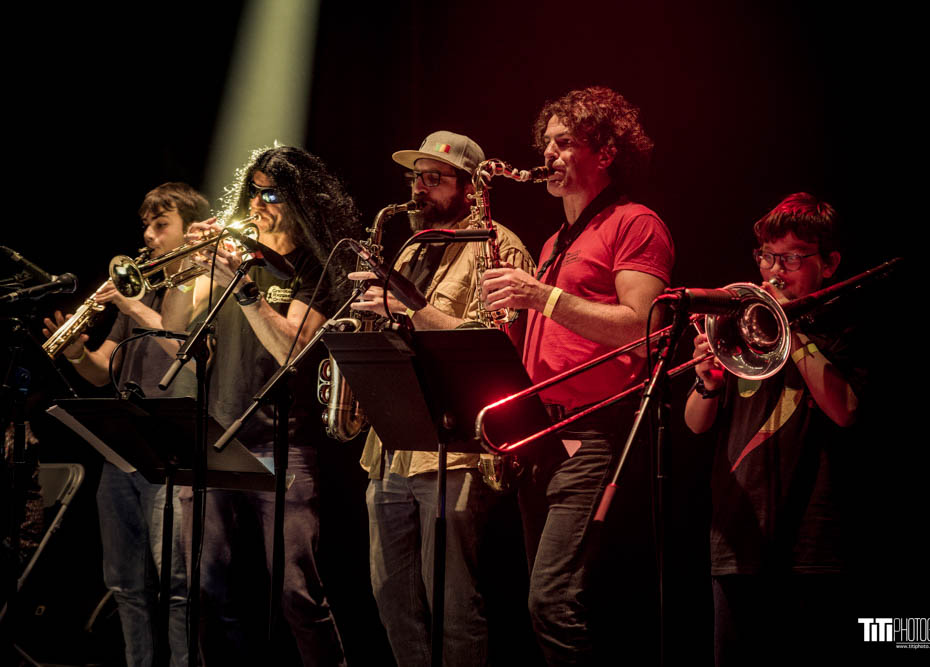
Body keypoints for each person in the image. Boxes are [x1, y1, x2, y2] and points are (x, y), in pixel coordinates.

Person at [482, 87, 675, 664]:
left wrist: (542, 296)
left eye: (565, 142)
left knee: (553, 601)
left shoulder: (635, 223)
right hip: (540, 435)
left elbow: (645, 329)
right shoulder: (552, 243)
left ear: (607, 151)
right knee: (545, 604)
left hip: (595, 433)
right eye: (546, 142)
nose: (549, 154)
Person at [349, 131, 535, 667]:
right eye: (415, 177)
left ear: (470, 187)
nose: (419, 189)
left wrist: (406, 309)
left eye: (434, 178)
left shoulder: (499, 245)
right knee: (392, 600)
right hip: (389, 447)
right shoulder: (412, 246)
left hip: (452, 448)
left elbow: (488, 348)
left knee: (452, 604)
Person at [186, 146, 357, 667]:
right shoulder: (238, 252)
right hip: (219, 435)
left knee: (295, 592)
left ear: (300, 198)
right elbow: (188, 331)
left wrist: (242, 285)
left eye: (272, 192)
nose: (258, 202)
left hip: (282, 442)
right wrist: (205, 270)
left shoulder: (315, 262)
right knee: (209, 585)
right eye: (253, 190)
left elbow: (291, 348)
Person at [683, 193, 861, 666]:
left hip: (813, 545)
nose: (774, 272)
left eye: (792, 259)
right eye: (768, 257)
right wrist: (707, 383)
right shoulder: (741, 323)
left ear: (830, 263)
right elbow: (696, 425)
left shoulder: (843, 326)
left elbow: (844, 410)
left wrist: (793, 332)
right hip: (738, 539)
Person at [40, 182, 210, 667]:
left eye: (161, 225)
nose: (149, 235)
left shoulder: (203, 288)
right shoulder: (144, 289)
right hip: (123, 454)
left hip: (173, 453)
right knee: (124, 584)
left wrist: (132, 305)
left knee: (178, 587)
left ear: (190, 231)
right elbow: (103, 369)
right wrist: (77, 355)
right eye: (146, 225)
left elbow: (186, 354)